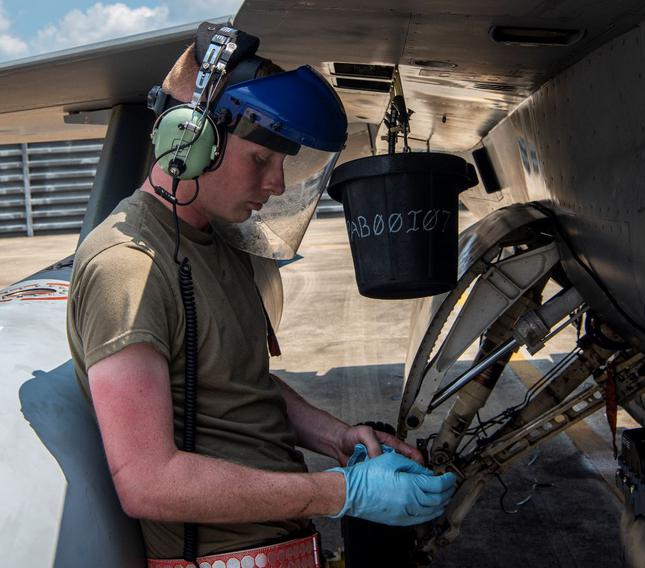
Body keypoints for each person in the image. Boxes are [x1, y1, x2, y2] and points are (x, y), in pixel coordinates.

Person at [66, 24, 455, 567]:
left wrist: (338, 437)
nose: (276, 183)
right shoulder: (128, 267)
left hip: (283, 547)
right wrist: (343, 492)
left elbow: (236, 379)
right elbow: (149, 482)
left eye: (283, 163)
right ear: (191, 140)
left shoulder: (216, 243)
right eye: (260, 160)